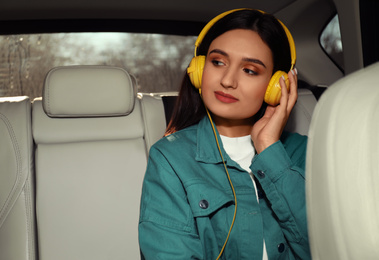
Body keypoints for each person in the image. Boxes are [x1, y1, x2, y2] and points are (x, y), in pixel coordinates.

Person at [139, 8, 311, 260]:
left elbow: (332, 248)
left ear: (276, 86)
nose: (228, 80)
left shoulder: (305, 153)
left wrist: (270, 150)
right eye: (218, 62)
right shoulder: (170, 159)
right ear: (199, 70)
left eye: (250, 70)